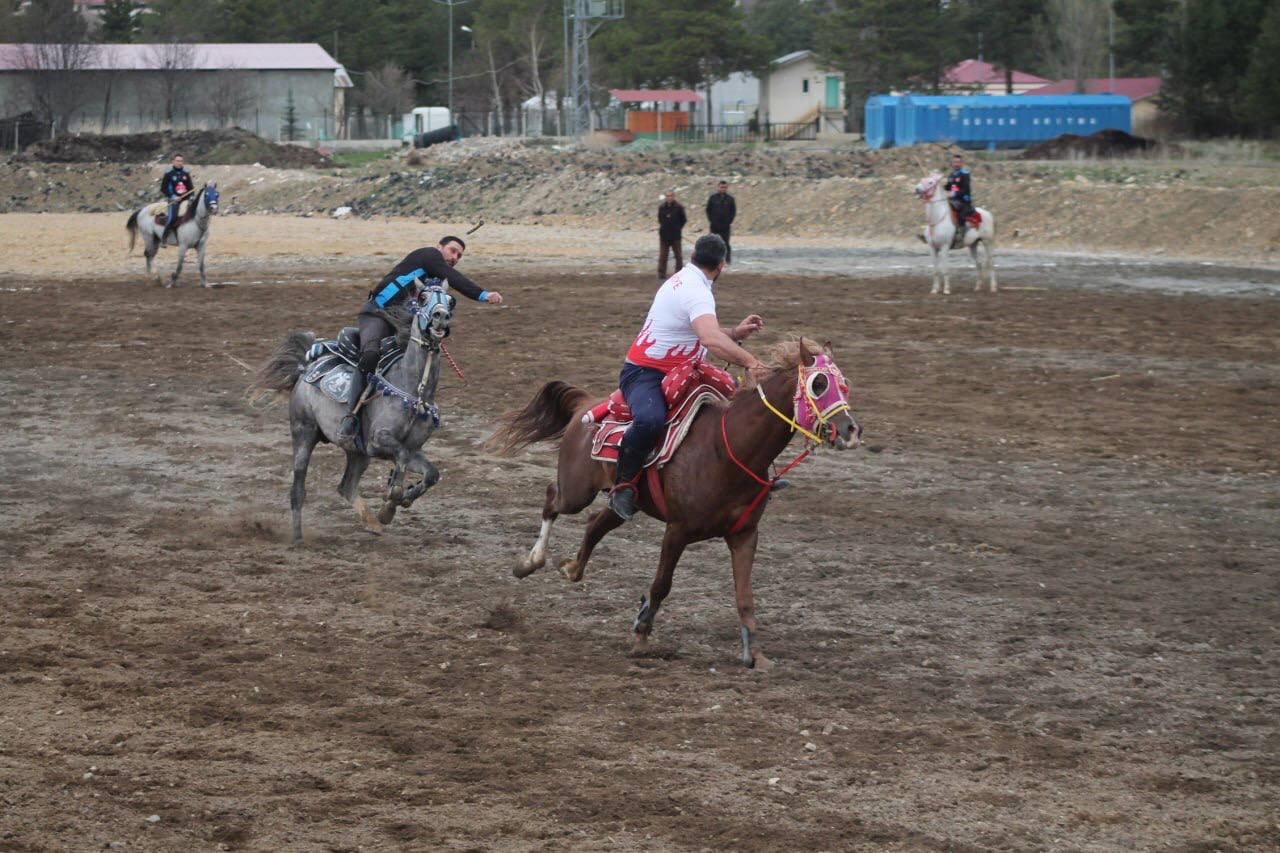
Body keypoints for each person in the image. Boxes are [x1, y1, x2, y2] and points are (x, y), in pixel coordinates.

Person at [609, 233, 768, 521]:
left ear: (694, 256)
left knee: (740, 410)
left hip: (684, 371)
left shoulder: (688, 279)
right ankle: (623, 483)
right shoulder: (696, 290)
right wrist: (751, 362)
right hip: (645, 372)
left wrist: (735, 333)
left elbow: (703, 332)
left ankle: (753, 478)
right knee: (650, 419)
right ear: (722, 265)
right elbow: (709, 339)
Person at [336, 235, 504, 446]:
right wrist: (482, 294)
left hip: (401, 322)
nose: (455, 257)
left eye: (459, 256)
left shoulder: (430, 282)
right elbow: (452, 276)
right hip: (376, 314)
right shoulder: (429, 256)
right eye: (452, 251)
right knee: (371, 354)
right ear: (439, 247)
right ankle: (351, 416)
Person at [159, 153, 195, 245]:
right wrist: (173, 197)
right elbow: (163, 188)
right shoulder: (169, 174)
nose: (180, 163)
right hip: (173, 200)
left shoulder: (186, 174)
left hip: (185, 199)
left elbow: (191, 188)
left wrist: (191, 197)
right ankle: (164, 238)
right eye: (178, 161)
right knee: (173, 218)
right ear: (173, 162)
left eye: (181, 161)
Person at [656, 190, 687, 280]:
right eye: (667, 196)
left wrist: (677, 228)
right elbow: (660, 219)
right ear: (666, 197)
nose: (669, 198)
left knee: (678, 256)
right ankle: (661, 274)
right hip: (664, 236)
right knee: (663, 256)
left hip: (675, 236)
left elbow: (684, 219)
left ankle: (679, 274)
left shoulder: (679, 207)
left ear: (674, 197)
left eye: (671, 196)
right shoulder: (661, 207)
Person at [705, 180, 737, 264]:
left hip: (725, 226)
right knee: (713, 243)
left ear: (727, 188)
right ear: (718, 187)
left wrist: (729, 221)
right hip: (714, 225)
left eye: (725, 187)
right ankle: (713, 260)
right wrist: (712, 220)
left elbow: (733, 212)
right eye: (721, 187)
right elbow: (708, 210)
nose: (723, 189)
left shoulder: (730, 199)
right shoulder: (713, 198)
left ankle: (727, 260)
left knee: (725, 243)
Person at [947, 152, 974, 243]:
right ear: (952, 163)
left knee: (961, 214)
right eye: (954, 162)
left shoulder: (964, 174)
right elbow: (948, 187)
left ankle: (961, 234)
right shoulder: (951, 175)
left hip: (963, 200)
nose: (956, 164)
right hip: (953, 200)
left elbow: (965, 189)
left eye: (958, 162)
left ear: (961, 163)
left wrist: (954, 194)